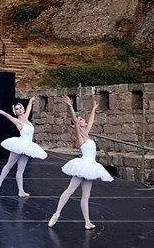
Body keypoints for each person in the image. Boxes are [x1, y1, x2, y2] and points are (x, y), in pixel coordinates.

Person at [49, 96, 113, 230]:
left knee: (86, 196)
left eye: (82, 119)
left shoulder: (87, 133)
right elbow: (75, 120)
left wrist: (94, 109)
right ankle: (57, 213)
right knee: (70, 190)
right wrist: (70, 107)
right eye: (80, 119)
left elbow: (91, 121)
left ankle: (87, 222)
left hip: (91, 166)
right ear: (77, 124)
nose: (82, 119)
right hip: (83, 165)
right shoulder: (80, 135)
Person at [0, 98, 47, 197]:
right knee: (9, 165)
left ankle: (21, 191)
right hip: (20, 145)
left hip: (28, 147)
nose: (19, 110)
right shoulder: (17, 121)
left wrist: (31, 101)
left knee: (20, 170)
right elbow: (5, 114)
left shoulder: (26, 118)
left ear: (23, 109)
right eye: (17, 109)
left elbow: (29, 107)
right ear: (15, 112)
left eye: (20, 108)